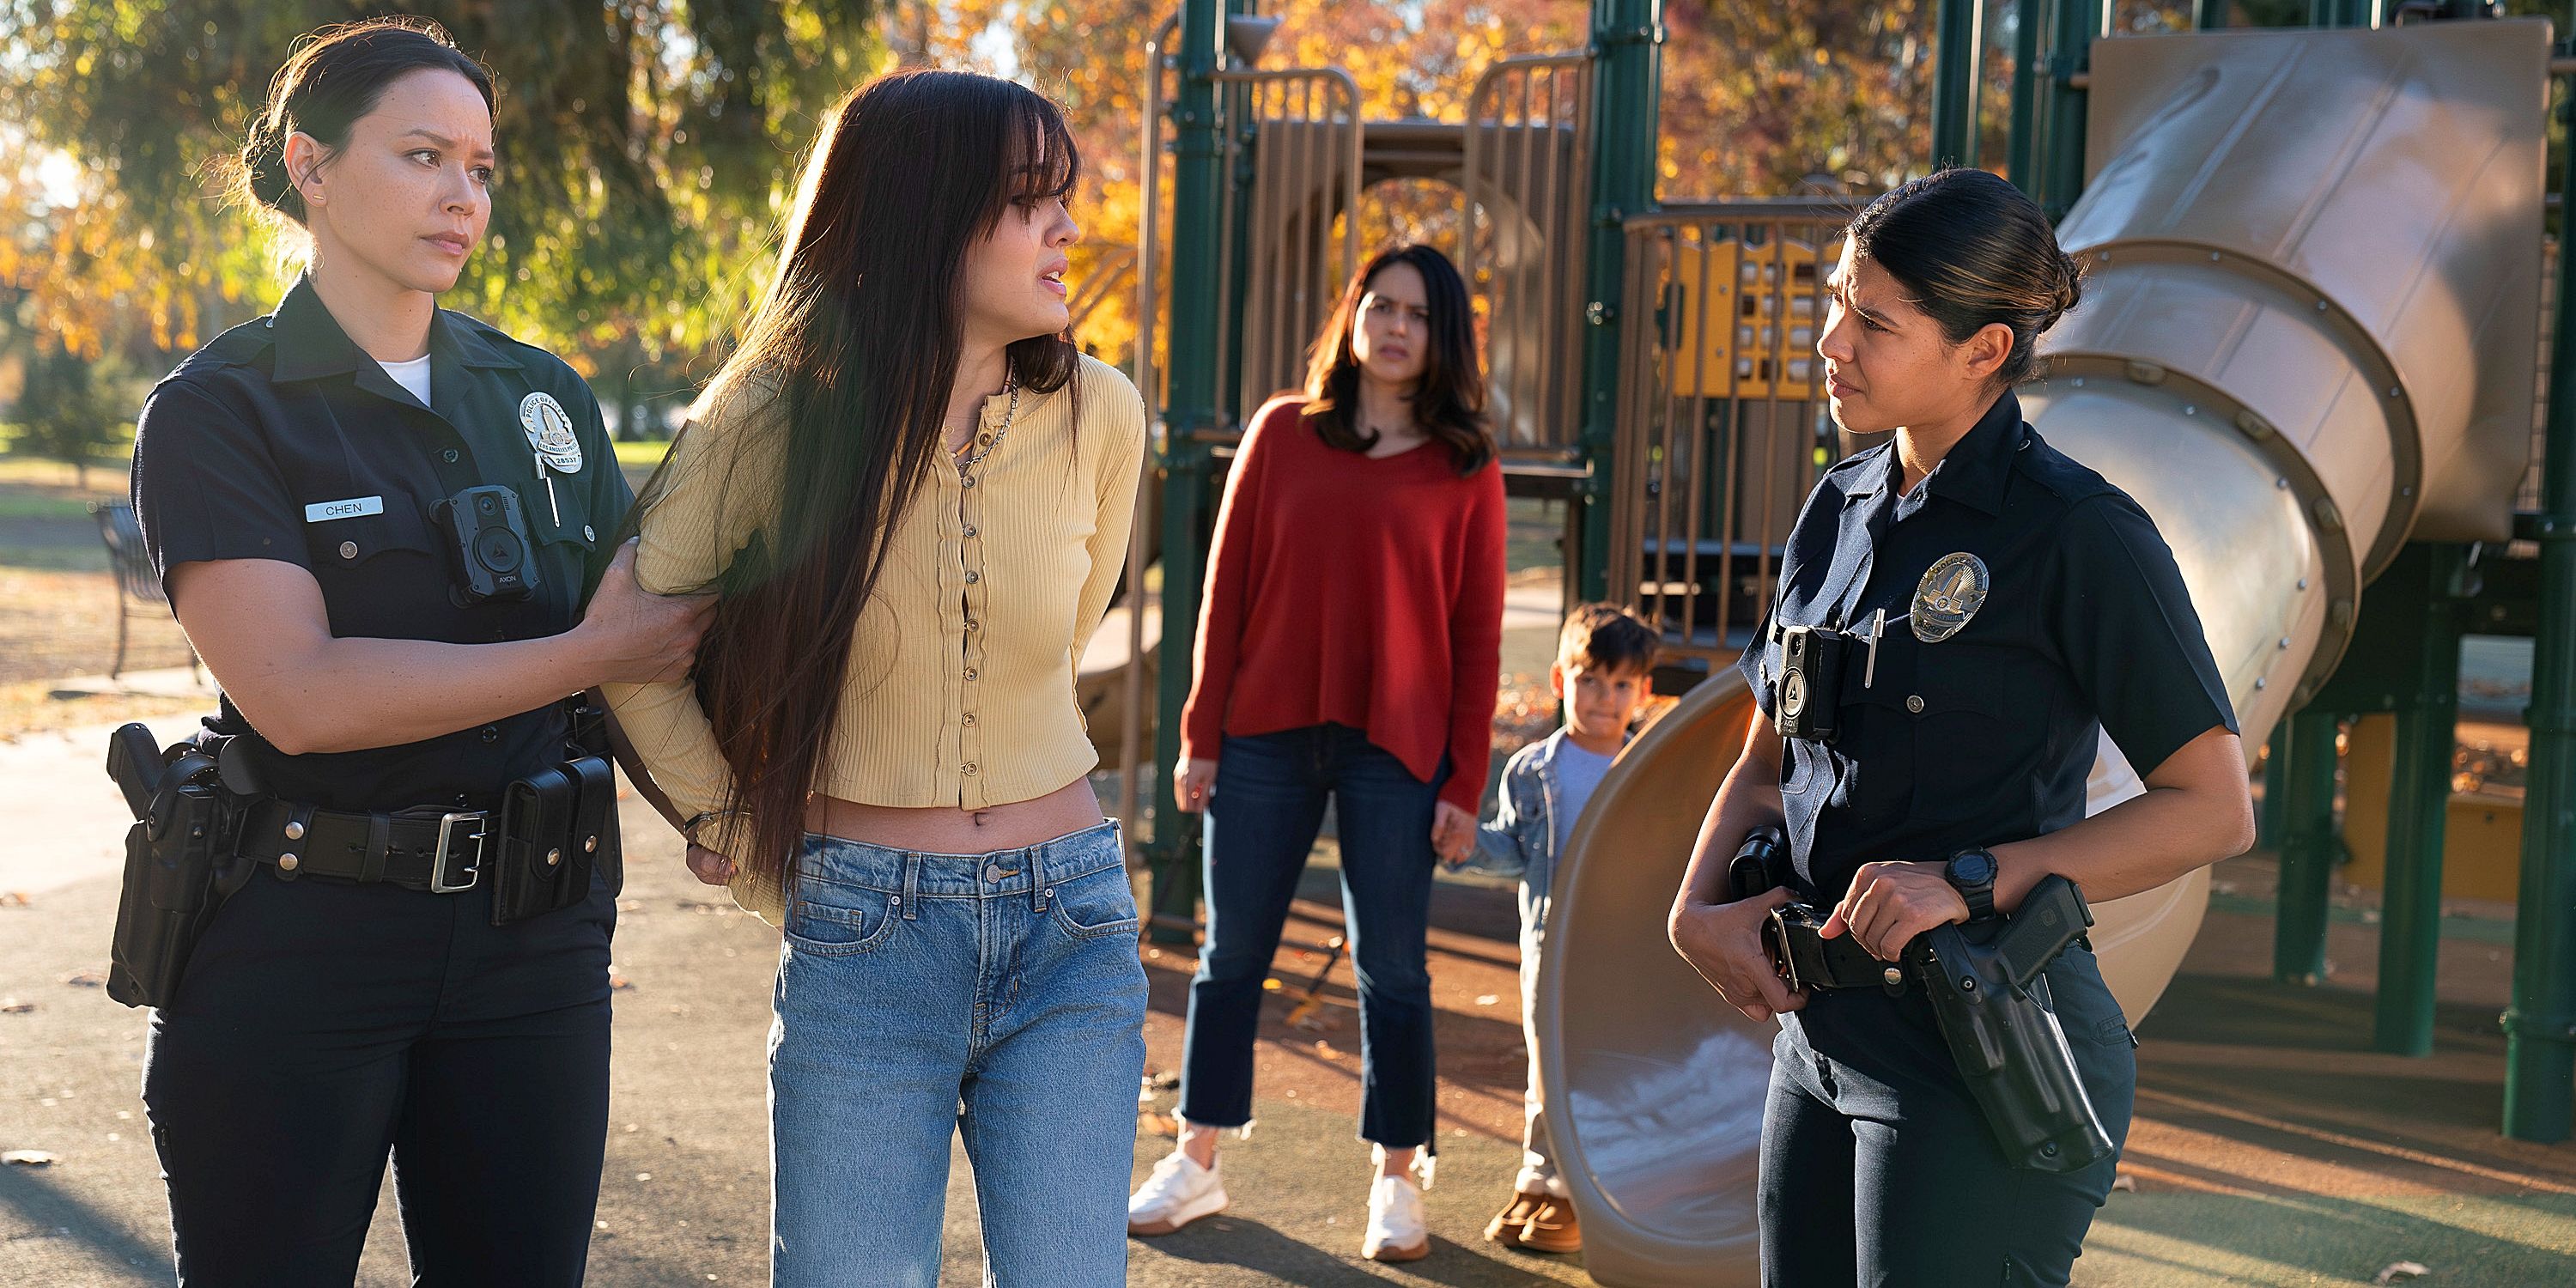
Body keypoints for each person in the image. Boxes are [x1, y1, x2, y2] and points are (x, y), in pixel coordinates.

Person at [126, 18, 711, 1285]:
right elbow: (300, 695)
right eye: (423, 154)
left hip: (535, 950)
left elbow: (639, 653)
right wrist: (588, 653)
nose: (463, 194)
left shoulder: (541, 396)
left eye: (483, 167)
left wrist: (721, 811)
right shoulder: (218, 412)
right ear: (314, 166)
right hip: (301, 945)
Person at [600, 70, 1149, 1288]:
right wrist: (727, 821)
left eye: (1067, 196)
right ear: (921, 213)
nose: (1068, 228)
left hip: (1074, 921)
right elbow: (627, 650)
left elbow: (1060, 650)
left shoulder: (1104, 416)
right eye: (1028, 200)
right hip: (866, 929)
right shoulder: (767, 419)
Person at [1664, 167, 2256, 1287]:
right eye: (1838, 300)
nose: (1830, 340)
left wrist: (1974, 877)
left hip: (1984, 1058)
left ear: (1985, 348)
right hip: (1821, 1050)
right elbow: (1765, 757)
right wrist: (1696, 909)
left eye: (1873, 322)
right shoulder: (1835, 510)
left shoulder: (2082, 535)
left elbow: (2213, 809)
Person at [1127, 243, 1508, 1262]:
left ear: (1444, 337)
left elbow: (1476, 636)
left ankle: (1396, 1175)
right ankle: (1197, 1159)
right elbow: (1226, 590)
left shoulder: (1465, 465)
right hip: (1264, 732)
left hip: (1399, 748)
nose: (1393, 326)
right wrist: (1202, 733)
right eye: (1379, 305)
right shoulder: (1281, 434)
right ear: (1351, 316)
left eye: (1417, 315)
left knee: (1393, 967)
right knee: (1230, 956)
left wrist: (1464, 783)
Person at [1467, 603, 1658, 1256]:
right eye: (1590, 680)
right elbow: (1512, 850)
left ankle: (1590, 1191)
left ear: (1644, 693)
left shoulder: (1647, 770)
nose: (1604, 699)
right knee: (1548, 1065)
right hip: (1549, 944)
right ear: (1559, 680)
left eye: (1622, 685)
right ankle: (1541, 1177)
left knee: (1605, 1065)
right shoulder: (1532, 770)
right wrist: (1463, 840)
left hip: (1617, 949)